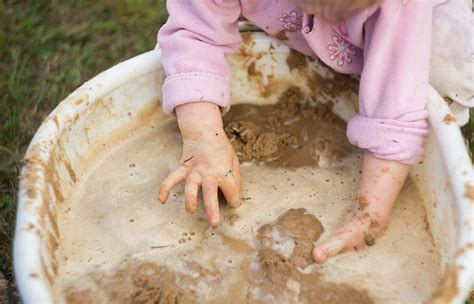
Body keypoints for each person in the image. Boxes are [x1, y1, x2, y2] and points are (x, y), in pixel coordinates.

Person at [156, 0, 474, 264]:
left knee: (442, 66)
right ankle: (317, 37)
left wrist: (371, 212)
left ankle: (430, 128)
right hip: (291, 18)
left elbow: (397, 100)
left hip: (421, 25)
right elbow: (195, 34)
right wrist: (203, 136)